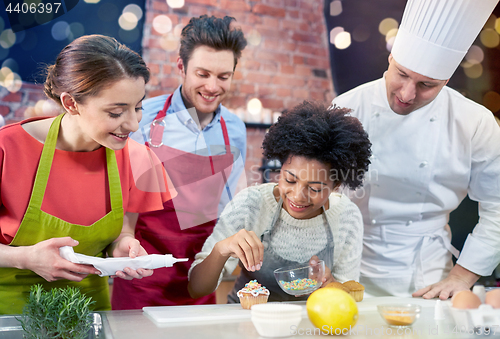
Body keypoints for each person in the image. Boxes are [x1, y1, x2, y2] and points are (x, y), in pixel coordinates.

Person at [331, 0, 500, 299]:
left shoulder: (475, 122)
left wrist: (463, 275)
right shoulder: (346, 108)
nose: (407, 94)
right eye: (402, 74)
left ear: (446, 80)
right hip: (348, 268)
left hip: (429, 275)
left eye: (427, 85)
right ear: (391, 58)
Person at [0, 35, 175, 314]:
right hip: (8, 315)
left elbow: (122, 233)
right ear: (71, 103)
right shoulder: (6, 149)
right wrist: (26, 257)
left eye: (138, 107)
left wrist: (123, 248)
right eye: (116, 112)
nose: (132, 123)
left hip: (87, 312)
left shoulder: (138, 159)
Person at [111, 15, 247, 309]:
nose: (212, 86)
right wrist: (122, 241)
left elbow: (233, 205)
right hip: (142, 273)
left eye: (223, 76)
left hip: (199, 274)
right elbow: (122, 196)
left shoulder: (235, 130)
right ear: (182, 67)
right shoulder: (143, 117)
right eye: (203, 73)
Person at [187, 101, 371, 302]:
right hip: (245, 324)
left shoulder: (347, 217)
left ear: (336, 186)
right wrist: (221, 249)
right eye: (290, 180)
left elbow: (348, 300)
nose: (298, 195)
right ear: (280, 168)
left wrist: (330, 282)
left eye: (315, 188)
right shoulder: (252, 204)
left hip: (310, 326)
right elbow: (196, 289)